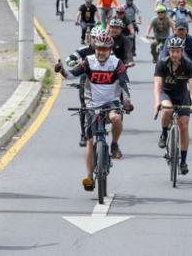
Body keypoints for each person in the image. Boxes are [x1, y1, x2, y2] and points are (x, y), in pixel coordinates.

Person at [54, 33, 134, 190]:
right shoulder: (88, 62)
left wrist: (127, 101)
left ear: (110, 50)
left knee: (116, 118)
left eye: (104, 49)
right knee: (90, 142)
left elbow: (125, 83)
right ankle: (89, 177)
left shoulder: (117, 63)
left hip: (112, 101)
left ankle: (114, 144)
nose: (101, 52)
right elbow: (71, 75)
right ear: (94, 49)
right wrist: (61, 70)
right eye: (98, 49)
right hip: (92, 103)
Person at [154, 37, 192, 175]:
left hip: (182, 95)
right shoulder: (161, 64)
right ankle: (164, 133)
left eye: (177, 51)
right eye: (172, 51)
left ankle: (183, 161)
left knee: (184, 126)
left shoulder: (189, 65)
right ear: (168, 51)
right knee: (167, 110)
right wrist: (157, 102)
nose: (175, 54)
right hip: (166, 93)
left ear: (182, 51)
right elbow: (157, 86)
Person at [66, 26, 107, 147]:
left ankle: (102, 126)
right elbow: (70, 58)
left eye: (99, 38)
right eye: (94, 38)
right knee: (84, 107)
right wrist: (73, 62)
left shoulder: (107, 50)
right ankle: (83, 134)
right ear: (91, 38)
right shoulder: (83, 50)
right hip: (86, 83)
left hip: (103, 82)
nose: (96, 41)